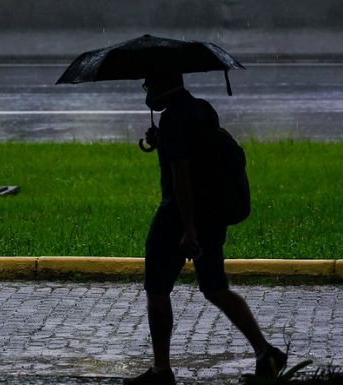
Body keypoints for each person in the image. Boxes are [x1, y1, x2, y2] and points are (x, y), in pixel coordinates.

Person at [123, 73, 287, 385]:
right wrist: (162, 144)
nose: (147, 90)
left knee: (156, 290)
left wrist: (187, 229)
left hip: (178, 217)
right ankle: (266, 352)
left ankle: (161, 371)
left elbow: (182, 176)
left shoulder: (172, 120)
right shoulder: (202, 109)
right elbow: (200, 155)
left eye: (149, 83)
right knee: (215, 287)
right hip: (212, 214)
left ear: (162, 83)